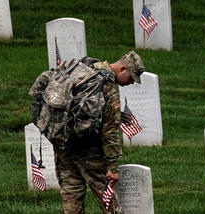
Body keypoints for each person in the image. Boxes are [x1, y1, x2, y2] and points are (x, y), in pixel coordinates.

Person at [29, 51, 144, 214]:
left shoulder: (83, 67)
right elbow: (109, 130)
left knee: (71, 195)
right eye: (131, 78)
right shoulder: (107, 85)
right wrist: (112, 167)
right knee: (107, 197)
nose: (131, 83)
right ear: (123, 68)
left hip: (62, 141)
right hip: (88, 148)